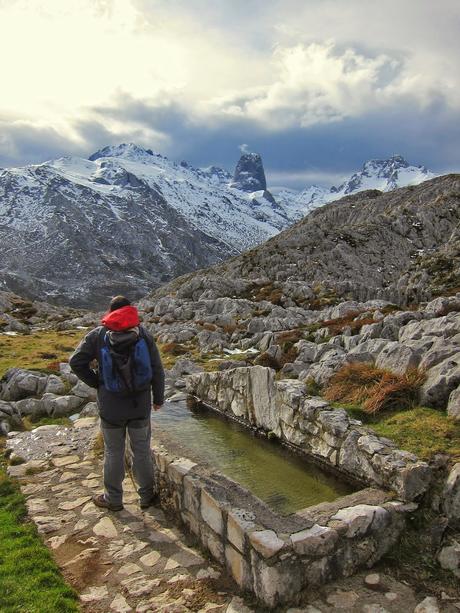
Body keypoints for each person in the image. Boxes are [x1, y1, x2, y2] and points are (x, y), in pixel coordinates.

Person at [69, 295, 165, 511]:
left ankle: (113, 499)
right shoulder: (143, 335)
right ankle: (147, 497)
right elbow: (157, 370)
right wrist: (158, 398)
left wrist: (97, 382)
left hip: (111, 406)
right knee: (141, 450)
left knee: (113, 451)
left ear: (110, 312)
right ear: (130, 311)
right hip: (139, 405)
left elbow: (75, 362)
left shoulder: (98, 335)